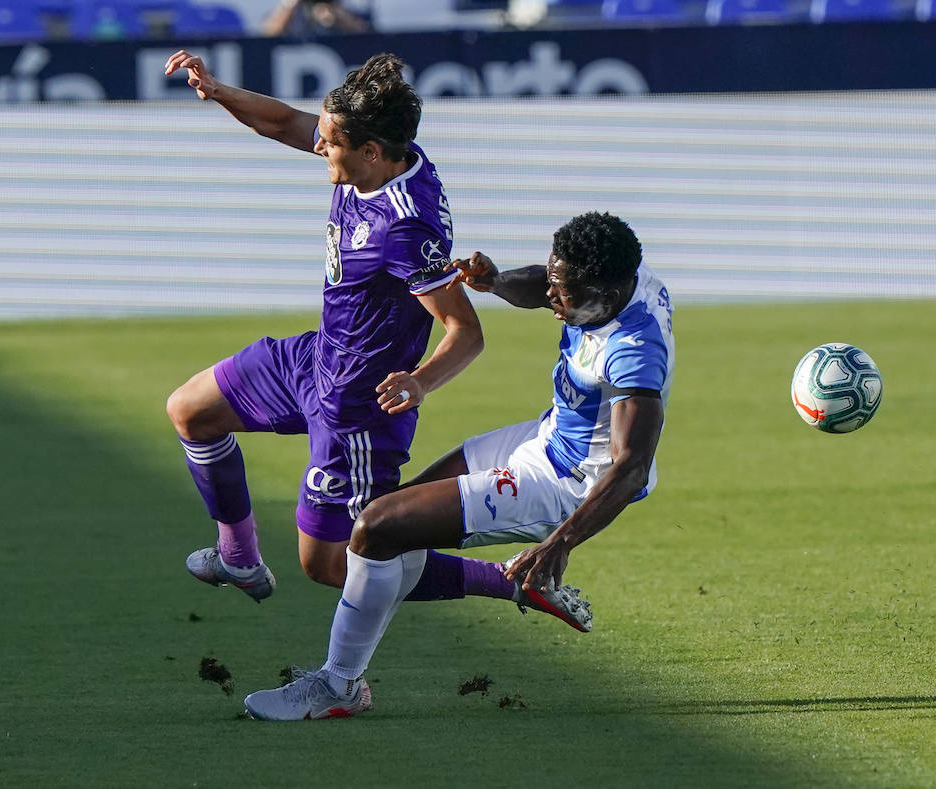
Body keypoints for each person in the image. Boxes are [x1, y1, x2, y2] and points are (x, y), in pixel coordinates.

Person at [241, 211, 675, 721]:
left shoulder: (633, 354)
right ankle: (353, 672)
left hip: (566, 484)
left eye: (566, 293)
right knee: (394, 520)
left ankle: (337, 684)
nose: (554, 298)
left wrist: (560, 542)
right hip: (546, 437)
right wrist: (497, 282)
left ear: (608, 291)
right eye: (557, 282)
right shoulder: (626, 277)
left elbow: (631, 468)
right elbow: (548, 279)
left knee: (378, 529)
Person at [162, 51, 487, 605]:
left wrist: (419, 382)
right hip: (315, 357)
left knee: (333, 565)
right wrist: (218, 91)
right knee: (190, 410)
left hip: (357, 402)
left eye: (330, 143)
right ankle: (238, 559)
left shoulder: (403, 225)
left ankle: (509, 579)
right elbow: (287, 123)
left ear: (371, 152)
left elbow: (465, 331)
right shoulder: (375, 155)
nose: (318, 146)